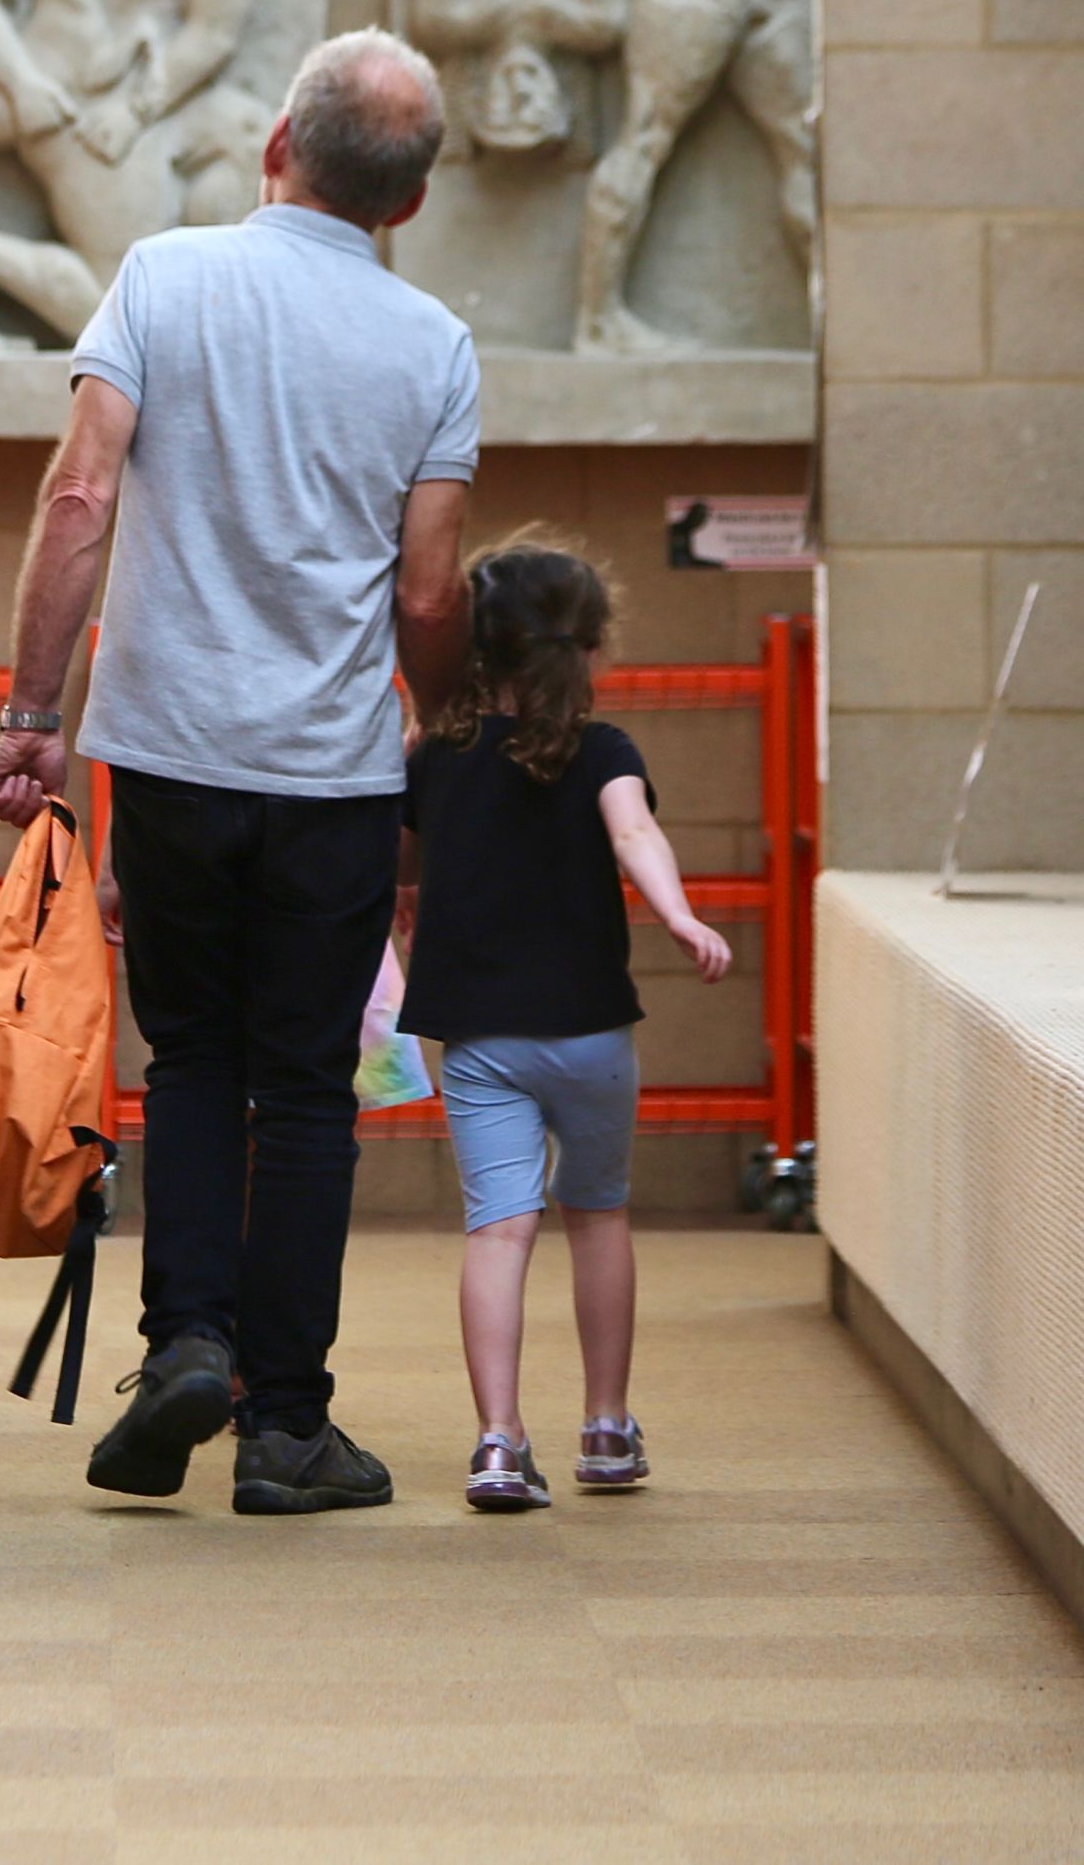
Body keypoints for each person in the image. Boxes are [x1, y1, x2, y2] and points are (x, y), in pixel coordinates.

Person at [0, 29, 478, 1513]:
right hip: (332, 773)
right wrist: (436, 741)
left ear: (276, 142)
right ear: (410, 201)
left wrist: (29, 708)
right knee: (306, 1092)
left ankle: (186, 1338)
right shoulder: (432, 345)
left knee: (189, 1059)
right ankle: (288, 1424)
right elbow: (434, 594)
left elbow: (81, 492)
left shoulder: (165, 276)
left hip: (172, 757)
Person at [397, 541, 730, 1512]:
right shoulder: (603, 751)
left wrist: (398, 903)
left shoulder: (436, 757)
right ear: (582, 650)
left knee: (498, 1232)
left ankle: (498, 1441)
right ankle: (607, 1427)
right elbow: (633, 832)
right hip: (589, 1030)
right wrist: (676, 913)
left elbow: (395, 857)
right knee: (598, 1215)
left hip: (480, 1040)